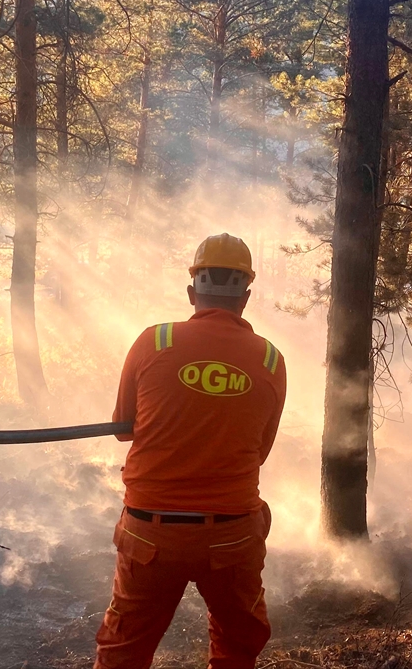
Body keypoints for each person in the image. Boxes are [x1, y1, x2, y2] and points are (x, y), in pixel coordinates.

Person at [94, 234, 287, 669]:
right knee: (238, 647)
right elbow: (260, 452)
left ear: (190, 292)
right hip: (232, 535)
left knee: (123, 652)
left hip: (150, 534)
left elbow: (124, 430)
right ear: (247, 297)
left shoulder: (154, 341)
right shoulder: (271, 361)